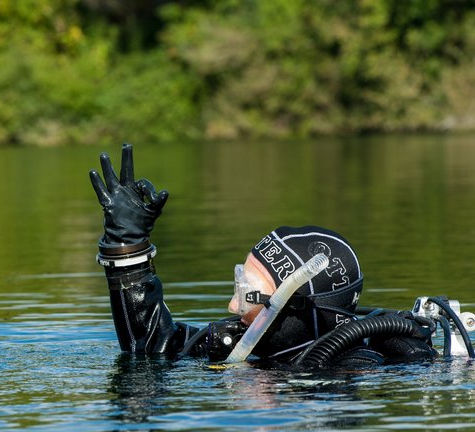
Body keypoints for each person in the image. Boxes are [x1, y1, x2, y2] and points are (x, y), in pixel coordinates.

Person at [89, 144, 439, 366]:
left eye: (247, 295)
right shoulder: (242, 344)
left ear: (292, 305)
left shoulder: (353, 367)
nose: (231, 306)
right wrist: (127, 246)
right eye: (238, 285)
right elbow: (151, 347)